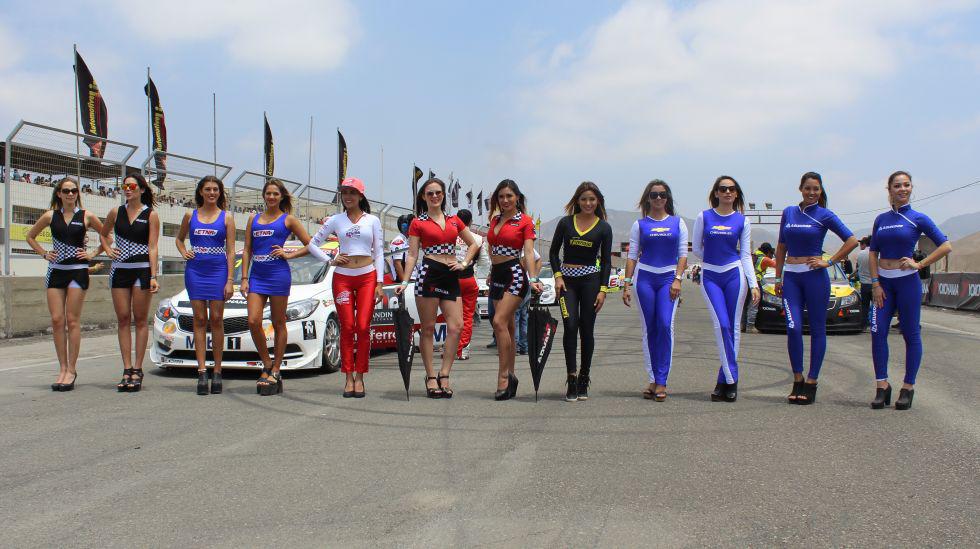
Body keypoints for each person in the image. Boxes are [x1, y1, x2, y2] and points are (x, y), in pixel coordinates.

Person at [868, 171, 951, 410]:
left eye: (906, 185)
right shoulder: (881, 219)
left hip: (907, 283)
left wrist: (920, 264)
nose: (902, 189)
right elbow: (873, 252)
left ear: (911, 188)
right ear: (889, 190)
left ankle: (908, 387)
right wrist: (875, 283)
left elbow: (946, 245)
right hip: (883, 284)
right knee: (877, 331)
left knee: (910, 333)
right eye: (897, 185)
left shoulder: (918, 218)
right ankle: (882, 385)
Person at [294, 177, 384, 398]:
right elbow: (313, 243)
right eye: (344, 192)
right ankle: (348, 377)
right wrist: (329, 259)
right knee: (347, 326)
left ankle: (360, 377)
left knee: (362, 327)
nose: (348, 196)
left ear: (361, 196)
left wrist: (379, 283)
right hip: (342, 277)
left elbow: (379, 252)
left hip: (367, 276)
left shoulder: (372, 220)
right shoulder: (335, 220)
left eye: (352, 192)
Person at [773, 172, 858, 405]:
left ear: (821, 192)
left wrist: (829, 261)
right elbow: (781, 247)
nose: (812, 193)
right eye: (808, 188)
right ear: (800, 188)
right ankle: (797, 378)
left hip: (815, 277)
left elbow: (852, 241)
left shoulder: (825, 214)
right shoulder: (789, 212)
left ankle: (812, 381)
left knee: (817, 329)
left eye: (816, 189)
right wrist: (778, 278)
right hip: (791, 276)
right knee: (793, 327)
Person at [395, 178, 479, 398]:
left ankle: (445, 374)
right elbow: (412, 254)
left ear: (443, 195)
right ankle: (431, 376)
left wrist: (464, 263)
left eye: (438, 193)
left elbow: (474, 244)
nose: (434, 196)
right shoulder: (418, 222)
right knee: (429, 328)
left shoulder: (454, 220)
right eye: (430, 193)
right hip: (429, 273)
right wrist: (404, 281)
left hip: (451, 275)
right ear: (424, 196)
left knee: (456, 326)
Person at [25, 177, 104, 391]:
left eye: (74, 190)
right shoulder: (51, 216)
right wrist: (44, 254)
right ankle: (61, 368)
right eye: (66, 190)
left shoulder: (86, 216)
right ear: (59, 194)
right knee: (57, 320)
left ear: (78, 193)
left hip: (78, 272)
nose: (70, 194)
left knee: (72, 320)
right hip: (56, 272)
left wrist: (93, 253)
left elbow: (107, 235)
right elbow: (30, 236)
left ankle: (71, 369)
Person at [240, 178, 313, 396]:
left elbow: (311, 244)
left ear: (281, 197)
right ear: (263, 196)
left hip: (279, 275)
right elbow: (246, 250)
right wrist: (244, 278)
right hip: (257, 276)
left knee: (278, 322)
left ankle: (277, 368)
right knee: (253, 320)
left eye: (275, 194)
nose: (271, 197)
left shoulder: (288, 220)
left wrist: (289, 254)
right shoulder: (253, 219)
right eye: (268, 193)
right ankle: (266, 363)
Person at [691, 176, 759, 402]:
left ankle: (724, 380)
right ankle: (732, 378)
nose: (727, 192)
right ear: (716, 193)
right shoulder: (704, 216)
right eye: (723, 189)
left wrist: (753, 283)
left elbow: (745, 255)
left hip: (734, 274)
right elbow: (697, 249)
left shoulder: (742, 221)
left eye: (731, 189)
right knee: (721, 324)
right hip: (710, 275)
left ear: (736, 193)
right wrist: (712, 262)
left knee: (733, 327)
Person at [622, 180, 688, 402]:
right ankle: (653, 378)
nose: (658, 198)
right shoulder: (639, 225)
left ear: (667, 198)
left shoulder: (678, 223)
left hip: (669, 278)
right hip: (645, 279)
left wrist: (678, 279)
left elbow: (682, 255)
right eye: (653, 195)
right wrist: (627, 284)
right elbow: (631, 256)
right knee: (649, 328)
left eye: (662, 194)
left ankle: (662, 380)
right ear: (647, 199)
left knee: (664, 325)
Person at [549, 181, 613, 402]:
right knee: (570, 325)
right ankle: (572, 377)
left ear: (598, 202)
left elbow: (606, 262)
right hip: (567, 283)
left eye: (592, 199)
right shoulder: (565, 223)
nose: (588, 203)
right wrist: (557, 276)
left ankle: (584, 377)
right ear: (577, 200)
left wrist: (603, 290)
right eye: (584, 199)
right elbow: (553, 253)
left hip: (591, 282)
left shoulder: (604, 227)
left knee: (586, 329)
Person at [99, 174, 161, 392]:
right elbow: (103, 233)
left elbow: (153, 247)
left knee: (140, 319)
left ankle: (137, 368)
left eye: (131, 186)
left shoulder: (151, 215)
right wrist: (107, 250)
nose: (127, 189)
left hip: (142, 270)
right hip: (120, 271)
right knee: (123, 318)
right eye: (124, 186)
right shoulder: (116, 212)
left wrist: (153, 275)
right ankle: (126, 368)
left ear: (141, 189)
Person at [175, 175, 235, 396]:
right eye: (208, 189)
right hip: (195, 271)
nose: (212, 193)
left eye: (215, 190)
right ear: (200, 191)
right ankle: (201, 371)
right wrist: (184, 252)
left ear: (220, 193)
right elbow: (179, 239)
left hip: (218, 271)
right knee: (199, 319)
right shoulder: (190, 215)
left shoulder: (227, 217)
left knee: (217, 319)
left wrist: (230, 280)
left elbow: (230, 250)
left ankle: (217, 370)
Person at [485, 179, 542, 400]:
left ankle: (503, 377)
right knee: (506, 328)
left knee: (498, 322)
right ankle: (511, 376)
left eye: (509, 196)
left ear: (517, 197)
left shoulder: (525, 221)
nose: (505, 200)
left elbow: (529, 252)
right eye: (501, 196)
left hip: (514, 275)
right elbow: (491, 249)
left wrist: (533, 277)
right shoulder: (495, 220)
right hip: (497, 274)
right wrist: (491, 270)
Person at [454, 209, 484, 360]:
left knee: (451, 316)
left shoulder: (449, 235)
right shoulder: (478, 239)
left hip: (451, 279)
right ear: (471, 222)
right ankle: (463, 350)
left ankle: (451, 348)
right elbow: (484, 262)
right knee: (467, 316)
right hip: (469, 279)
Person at [514, 248, 542, 356]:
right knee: (523, 317)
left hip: (518, 285)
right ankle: (524, 347)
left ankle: (515, 347)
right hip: (527, 284)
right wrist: (533, 276)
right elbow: (538, 260)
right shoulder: (528, 248)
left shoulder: (519, 248)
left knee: (515, 317)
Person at [744, 242, 776, 330]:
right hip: (755, 283)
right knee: (754, 305)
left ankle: (742, 326)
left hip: (745, 282)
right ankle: (750, 327)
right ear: (768, 252)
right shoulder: (765, 259)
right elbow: (778, 265)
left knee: (744, 304)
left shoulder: (753, 255)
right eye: (771, 253)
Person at [853, 236, 873, 329]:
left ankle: (864, 324)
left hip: (864, 284)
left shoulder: (860, 254)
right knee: (877, 305)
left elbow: (858, 268)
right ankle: (877, 323)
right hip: (875, 284)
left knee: (865, 305)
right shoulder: (876, 254)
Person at [390, 214, 414, 281]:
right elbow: (397, 263)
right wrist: (404, 283)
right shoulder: (398, 241)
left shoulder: (406, 241)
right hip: (401, 282)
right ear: (404, 226)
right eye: (412, 224)